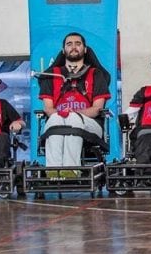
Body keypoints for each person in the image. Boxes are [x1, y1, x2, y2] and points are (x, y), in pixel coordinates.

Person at [38, 32, 111, 177]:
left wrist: (73, 114)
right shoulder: (51, 75)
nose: (73, 47)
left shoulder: (96, 74)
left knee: (73, 119)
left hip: (90, 123)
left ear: (85, 49)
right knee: (54, 119)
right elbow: (48, 108)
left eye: (78, 44)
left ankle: (71, 170)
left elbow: (97, 108)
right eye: (69, 44)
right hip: (58, 118)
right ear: (63, 50)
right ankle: (53, 170)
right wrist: (63, 115)